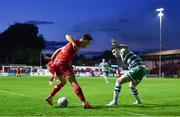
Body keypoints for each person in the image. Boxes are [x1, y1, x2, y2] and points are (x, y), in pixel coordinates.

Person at [45, 33, 93, 109]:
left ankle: (50, 97)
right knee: (74, 83)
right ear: (85, 40)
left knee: (63, 82)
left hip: (56, 64)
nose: (87, 46)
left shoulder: (77, 45)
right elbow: (67, 35)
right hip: (63, 64)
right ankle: (85, 103)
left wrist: (52, 58)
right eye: (88, 43)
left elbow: (59, 49)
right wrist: (73, 42)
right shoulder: (76, 42)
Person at [107, 39, 148, 106]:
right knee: (132, 86)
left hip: (137, 68)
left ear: (117, 50)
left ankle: (114, 102)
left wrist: (117, 45)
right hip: (143, 70)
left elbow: (126, 47)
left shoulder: (122, 51)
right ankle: (138, 101)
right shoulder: (123, 57)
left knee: (118, 81)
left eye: (114, 52)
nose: (114, 54)